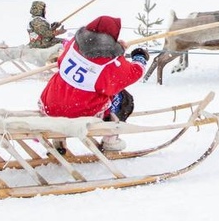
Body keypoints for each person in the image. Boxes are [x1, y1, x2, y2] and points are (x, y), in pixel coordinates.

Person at [38, 15, 149, 152]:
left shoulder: (73, 44)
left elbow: (67, 60)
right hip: (78, 112)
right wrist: (140, 57)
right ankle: (111, 140)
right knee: (123, 98)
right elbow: (133, 73)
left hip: (51, 103)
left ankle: (59, 139)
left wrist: (116, 49)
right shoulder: (110, 63)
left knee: (68, 88)